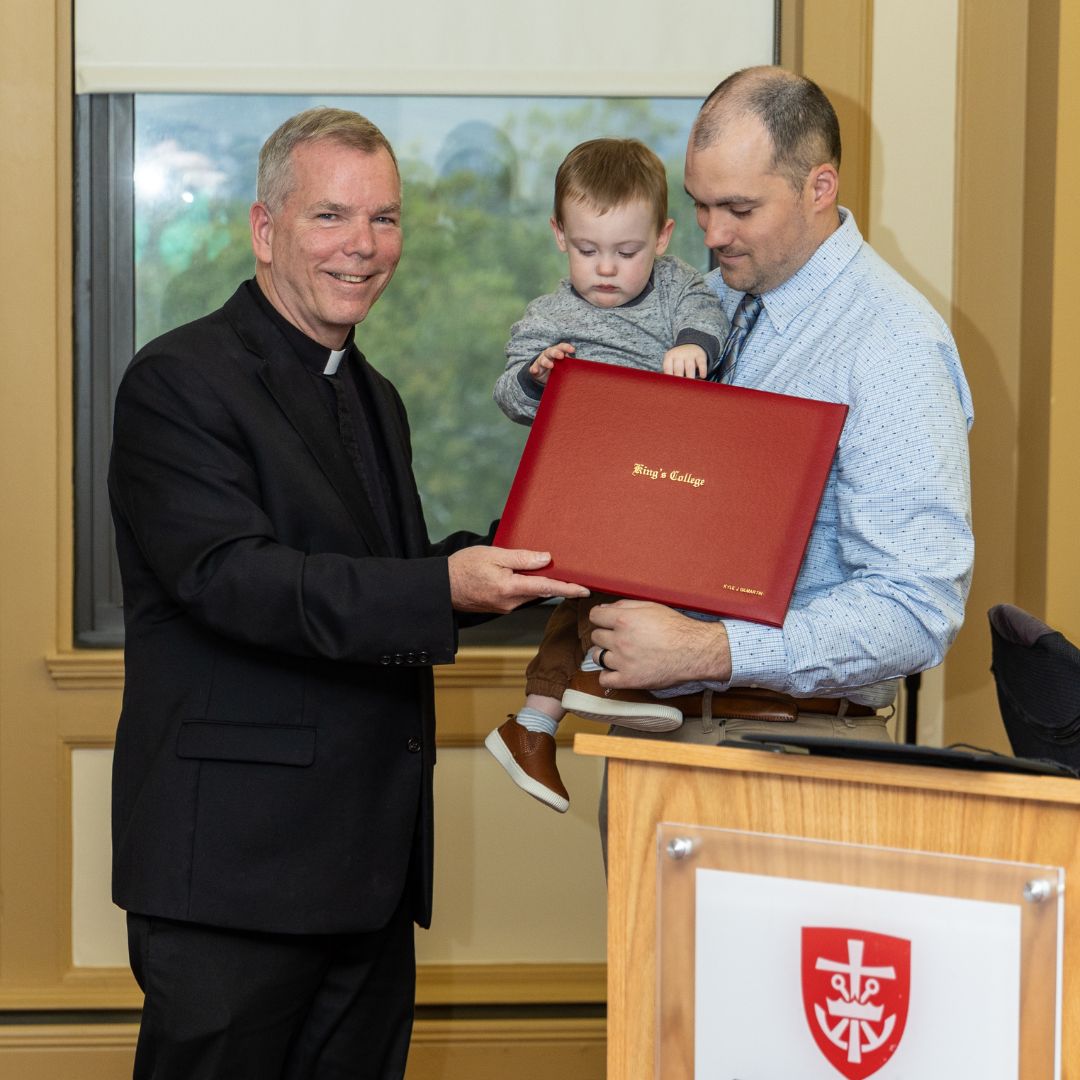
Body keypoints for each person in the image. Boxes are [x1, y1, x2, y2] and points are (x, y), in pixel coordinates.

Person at [107, 107, 587, 1080]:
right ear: (264, 227)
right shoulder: (178, 381)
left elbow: (381, 569)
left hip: (365, 875)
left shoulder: (371, 392)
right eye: (332, 217)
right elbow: (233, 580)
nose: (363, 248)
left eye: (385, 219)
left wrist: (534, 554)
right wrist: (441, 583)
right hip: (232, 878)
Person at [586, 66, 975, 781]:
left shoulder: (893, 345)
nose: (713, 233)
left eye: (739, 208)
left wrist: (712, 652)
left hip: (800, 758)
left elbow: (916, 608)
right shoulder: (707, 303)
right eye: (700, 206)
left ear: (818, 188)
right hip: (655, 736)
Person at [484, 137, 729, 814]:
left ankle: (537, 719)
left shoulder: (680, 286)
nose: (607, 269)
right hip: (585, 476)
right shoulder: (549, 316)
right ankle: (603, 681)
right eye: (588, 250)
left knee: (605, 594)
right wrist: (537, 378)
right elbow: (508, 393)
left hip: (660, 471)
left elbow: (709, 319)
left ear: (663, 235)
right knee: (601, 581)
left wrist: (692, 347)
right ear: (559, 234)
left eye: (627, 251)